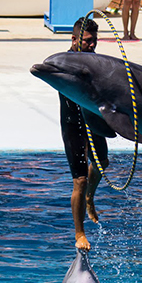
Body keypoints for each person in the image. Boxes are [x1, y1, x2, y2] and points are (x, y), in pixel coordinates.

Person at [61, 17, 109, 251]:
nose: (92, 45)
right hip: (72, 123)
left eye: (95, 41)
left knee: (102, 163)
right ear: (74, 39)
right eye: (88, 41)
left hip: (92, 120)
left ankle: (90, 197)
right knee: (79, 180)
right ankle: (80, 233)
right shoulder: (63, 62)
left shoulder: (95, 61)